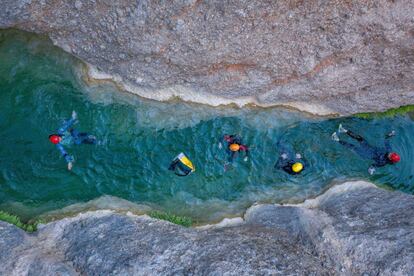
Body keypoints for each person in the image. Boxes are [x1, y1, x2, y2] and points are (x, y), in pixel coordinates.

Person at [332, 124, 400, 175]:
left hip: (366, 154)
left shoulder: (383, 162)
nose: (390, 153)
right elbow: (386, 140)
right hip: (369, 147)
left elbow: (373, 165)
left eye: (391, 155)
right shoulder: (389, 150)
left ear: (390, 159)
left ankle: (336, 139)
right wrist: (389, 135)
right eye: (392, 153)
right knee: (359, 138)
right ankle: (343, 130)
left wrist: (371, 169)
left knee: (352, 147)